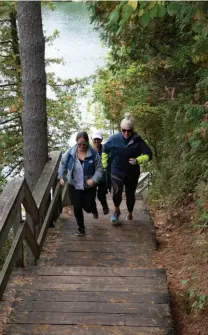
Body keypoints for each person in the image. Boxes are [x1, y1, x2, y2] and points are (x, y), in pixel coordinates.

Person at [102, 114, 152, 223]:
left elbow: (149, 155)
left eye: (129, 131)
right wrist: (105, 165)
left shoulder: (138, 141)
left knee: (130, 195)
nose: (126, 133)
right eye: (123, 130)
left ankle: (130, 213)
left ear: (133, 130)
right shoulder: (114, 138)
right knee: (116, 191)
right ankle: (116, 210)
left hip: (132, 172)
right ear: (121, 129)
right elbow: (105, 149)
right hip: (117, 170)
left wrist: (138, 160)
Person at [58, 131, 103, 236]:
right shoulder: (70, 153)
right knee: (77, 207)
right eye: (79, 144)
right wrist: (61, 176)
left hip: (89, 185)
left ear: (87, 142)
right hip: (73, 185)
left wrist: (94, 179)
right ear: (76, 142)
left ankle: (93, 208)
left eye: (84, 144)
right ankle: (81, 228)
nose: (81, 146)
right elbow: (62, 165)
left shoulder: (93, 154)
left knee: (87, 207)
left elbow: (100, 169)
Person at [91, 130, 109, 215]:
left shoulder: (105, 149)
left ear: (101, 139)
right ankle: (94, 211)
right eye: (95, 139)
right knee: (91, 195)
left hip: (102, 176)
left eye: (98, 139)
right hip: (92, 176)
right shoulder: (89, 151)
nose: (96, 141)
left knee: (101, 195)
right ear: (92, 139)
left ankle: (104, 205)